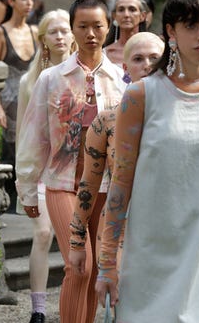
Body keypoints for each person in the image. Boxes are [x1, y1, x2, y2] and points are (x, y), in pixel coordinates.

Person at [93, 0, 199, 322]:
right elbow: (120, 183)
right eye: (191, 25)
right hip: (150, 261)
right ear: (170, 31)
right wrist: (107, 264)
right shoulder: (142, 96)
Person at [15, 0, 126, 323]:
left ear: (109, 28)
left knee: (94, 274)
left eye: (97, 26)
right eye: (83, 26)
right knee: (80, 265)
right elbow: (34, 136)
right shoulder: (51, 79)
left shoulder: (121, 80)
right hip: (62, 185)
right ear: (73, 29)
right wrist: (26, 187)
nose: (90, 33)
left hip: (105, 187)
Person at [68, 31, 165, 279]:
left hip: (169, 223)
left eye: (155, 58)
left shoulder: (184, 115)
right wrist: (77, 241)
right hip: (119, 226)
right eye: (138, 59)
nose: (147, 66)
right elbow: (88, 185)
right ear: (125, 67)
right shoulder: (108, 121)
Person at [15, 9, 75, 323]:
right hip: (42, 169)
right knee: (42, 233)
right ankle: (38, 309)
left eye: (65, 30)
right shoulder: (31, 80)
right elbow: (24, 134)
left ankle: (73, 301)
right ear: (44, 40)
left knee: (71, 239)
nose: (60, 37)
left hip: (73, 170)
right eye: (53, 32)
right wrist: (24, 178)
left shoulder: (86, 73)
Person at [0, 0, 37, 213]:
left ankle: (28, 198)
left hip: (30, 97)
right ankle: (8, 201)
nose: (29, 3)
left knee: (32, 147)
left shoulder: (35, 31)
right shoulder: (0, 32)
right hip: (8, 99)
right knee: (11, 150)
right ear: (11, 1)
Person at [103, 0, 147, 66]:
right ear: (114, 16)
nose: (126, 15)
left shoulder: (153, 49)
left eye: (132, 9)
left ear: (142, 16)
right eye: (121, 10)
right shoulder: (105, 54)